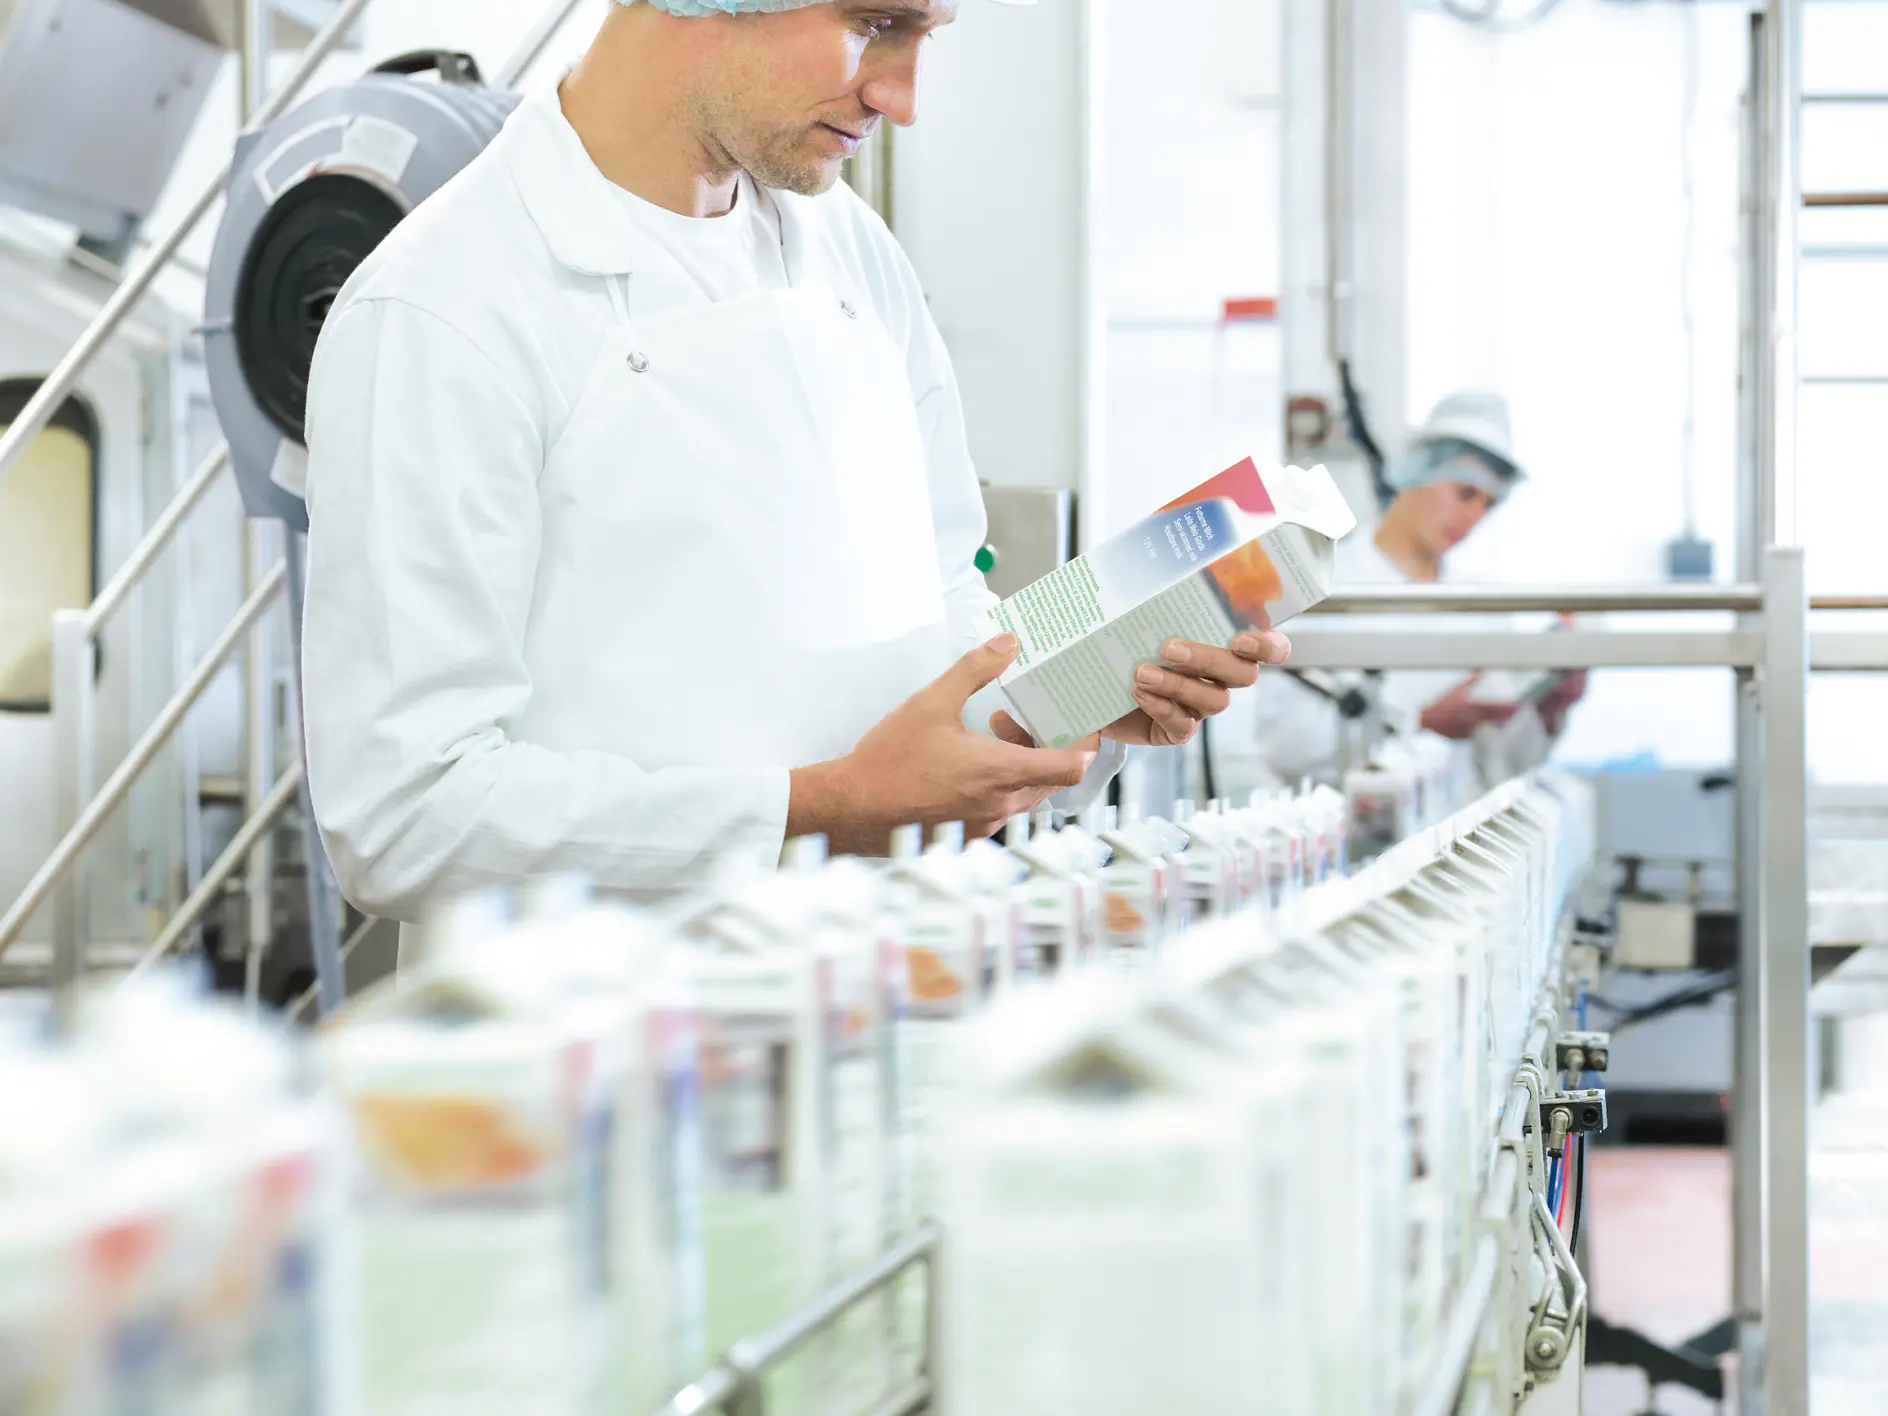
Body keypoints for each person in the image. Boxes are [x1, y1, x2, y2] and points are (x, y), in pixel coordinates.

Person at [299, 0, 1292, 931]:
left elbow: (945, 612)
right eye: (873, 24)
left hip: (864, 997)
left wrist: (1068, 701)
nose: (899, 98)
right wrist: (817, 813)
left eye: (923, 35)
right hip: (605, 1072)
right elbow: (405, 817)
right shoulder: (444, 307)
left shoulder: (850, 252)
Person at [1249, 391, 1586, 787]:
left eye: (1488, 504)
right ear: (1418, 471)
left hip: (1452, 837)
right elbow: (1283, 744)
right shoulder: (1326, 584)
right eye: (1465, 492)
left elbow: (1502, 766)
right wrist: (1419, 720)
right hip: (1345, 832)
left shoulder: (1483, 607)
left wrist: (1549, 709)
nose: (1473, 515)